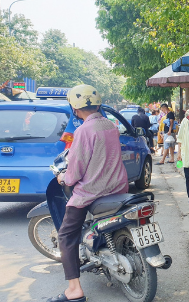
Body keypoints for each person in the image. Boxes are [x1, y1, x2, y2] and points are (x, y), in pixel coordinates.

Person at [50, 84, 129, 302]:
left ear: (75, 108)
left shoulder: (83, 131)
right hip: (118, 188)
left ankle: (74, 290)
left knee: (66, 235)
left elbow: (75, 170)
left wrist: (63, 178)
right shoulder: (110, 125)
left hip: (92, 192)